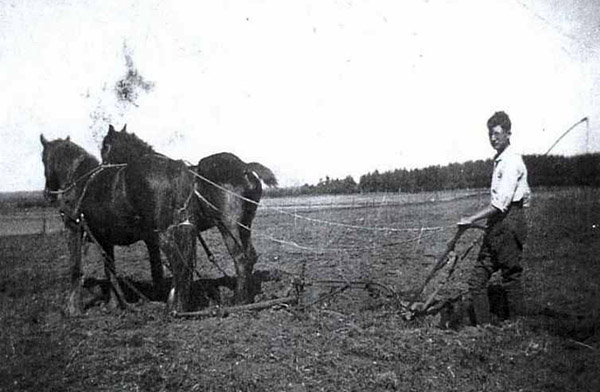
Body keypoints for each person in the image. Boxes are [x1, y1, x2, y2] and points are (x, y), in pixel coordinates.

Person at [458, 111, 531, 325]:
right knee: (476, 281)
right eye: (490, 134)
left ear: (508, 134)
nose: (493, 138)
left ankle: (519, 327)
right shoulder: (499, 160)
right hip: (497, 225)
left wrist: (471, 219)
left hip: (508, 224)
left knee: (511, 277)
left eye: (497, 133)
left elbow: (500, 204)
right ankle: (483, 328)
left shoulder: (511, 162)